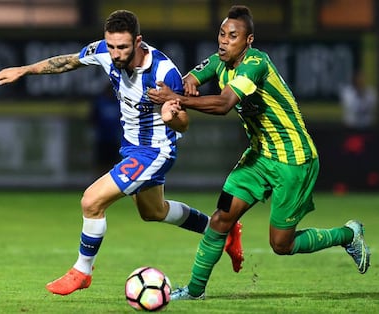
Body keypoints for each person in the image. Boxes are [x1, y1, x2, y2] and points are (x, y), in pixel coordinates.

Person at [0, 10, 243, 296]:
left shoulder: (163, 73)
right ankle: (221, 230)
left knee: (91, 201)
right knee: (154, 211)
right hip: (132, 149)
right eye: (111, 46)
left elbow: (183, 123)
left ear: (138, 42)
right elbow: (68, 61)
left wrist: (171, 114)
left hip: (155, 151)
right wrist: (24, 70)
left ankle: (82, 271)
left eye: (122, 47)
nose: (115, 53)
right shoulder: (104, 52)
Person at [148, 5, 371, 300]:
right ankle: (194, 291)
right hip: (257, 158)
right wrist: (184, 84)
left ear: (248, 40)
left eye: (233, 36)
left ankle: (347, 234)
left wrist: (176, 99)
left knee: (281, 245)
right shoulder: (219, 61)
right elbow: (192, 77)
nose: (224, 41)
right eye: (222, 34)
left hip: (294, 160)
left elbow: (224, 104)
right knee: (220, 219)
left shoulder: (255, 64)